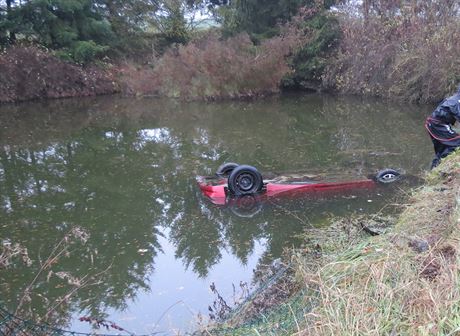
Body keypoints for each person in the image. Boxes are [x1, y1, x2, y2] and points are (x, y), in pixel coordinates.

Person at [425, 86, 460, 169]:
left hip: (432, 124)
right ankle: (442, 163)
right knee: (457, 143)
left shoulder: (454, 98)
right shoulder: (456, 101)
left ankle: (433, 170)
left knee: (441, 149)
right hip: (438, 126)